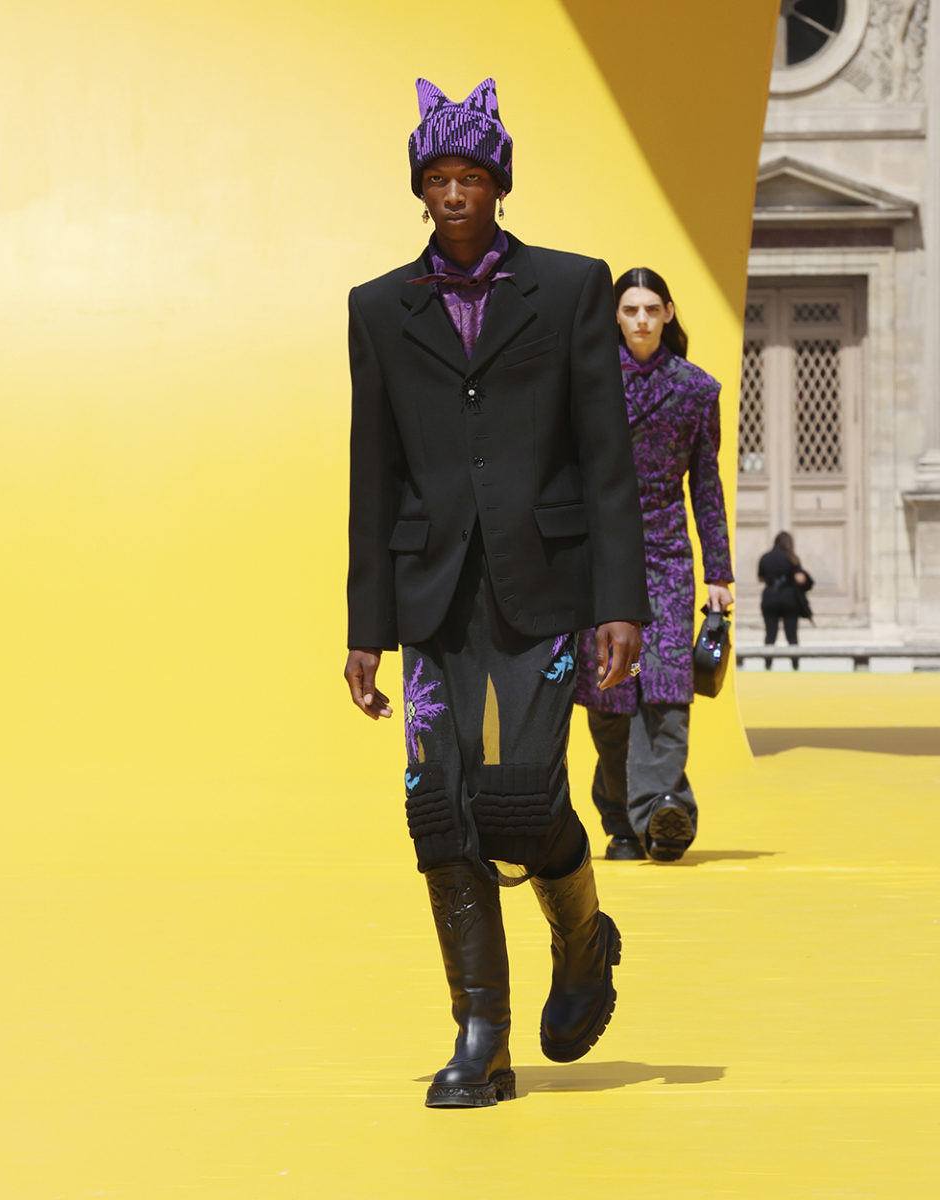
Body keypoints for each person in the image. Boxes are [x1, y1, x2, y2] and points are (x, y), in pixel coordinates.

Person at [344, 78, 650, 1108]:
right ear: (419, 190)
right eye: (438, 178)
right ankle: (482, 1032)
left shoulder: (569, 288)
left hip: (547, 584)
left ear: (499, 185)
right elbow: (373, 472)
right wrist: (366, 626)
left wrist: (622, 601)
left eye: (472, 176)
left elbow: (606, 455)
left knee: (518, 800)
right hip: (432, 590)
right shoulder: (378, 308)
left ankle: (582, 937)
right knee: (437, 805)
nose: (455, 193)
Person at [574, 268, 734, 864]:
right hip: (598, 553)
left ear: (668, 312)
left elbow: (707, 486)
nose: (640, 319)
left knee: (665, 687)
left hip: (666, 554)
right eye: (629, 309)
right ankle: (623, 820)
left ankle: (661, 809)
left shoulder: (696, 390)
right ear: (615, 316)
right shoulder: (588, 381)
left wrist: (718, 573)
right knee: (611, 695)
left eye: (650, 308)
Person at [758, 531, 813, 667]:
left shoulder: (765, 557)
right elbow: (800, 578)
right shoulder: (792, 558)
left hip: (770, 597)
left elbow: (760, 577)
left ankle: (768, 665)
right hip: (789, 599)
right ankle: (795, 665)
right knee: (792, 634)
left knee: (770, 634)